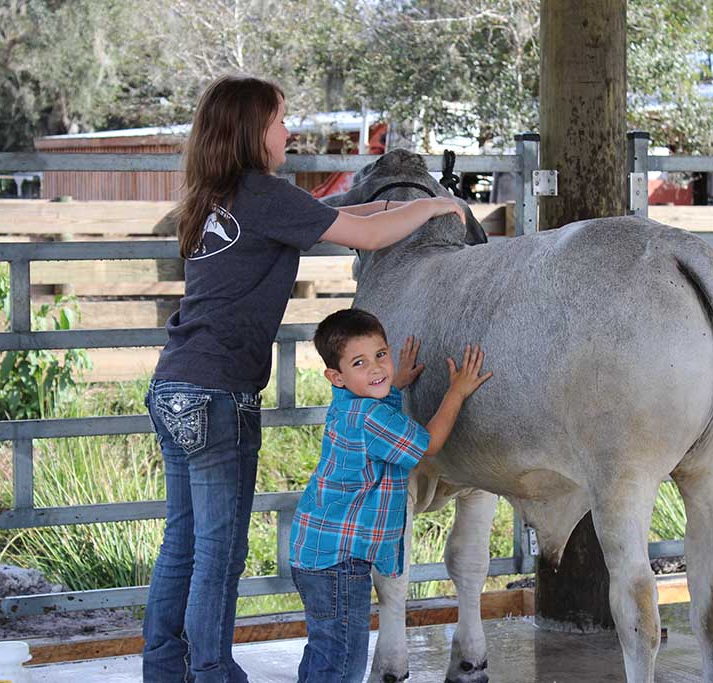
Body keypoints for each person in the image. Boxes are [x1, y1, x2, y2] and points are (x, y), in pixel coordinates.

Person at [141, 74, 467, 683]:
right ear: (251, 131)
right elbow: (364, 234)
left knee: (182, 542)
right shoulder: (265, 193)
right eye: (280, 120)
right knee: (219, 551)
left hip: (174, 387)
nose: (288, 132)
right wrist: (435, 205)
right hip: (218, 395)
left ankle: (164, 670)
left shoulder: (214, 196)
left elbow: (340, 216)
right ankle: (211, 673)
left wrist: (397, 206)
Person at [289, 308, 491, 683]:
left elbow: (376, 405)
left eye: (381, 355)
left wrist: (394, 383)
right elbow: (429, 444)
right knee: (344, 663)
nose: (376, 368)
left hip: (318, 554)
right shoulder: (370, 419)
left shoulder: (350, 405)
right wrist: (456, 392)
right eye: (360, 363)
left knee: (326, 653)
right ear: (335, 376)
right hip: (339, 563)